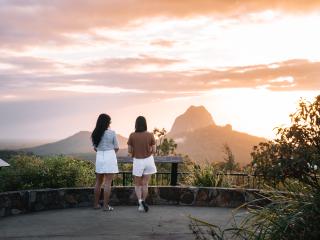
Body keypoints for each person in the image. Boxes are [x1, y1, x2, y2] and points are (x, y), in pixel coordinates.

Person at [127, 116, 157, 212]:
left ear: (136, 124)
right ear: (145, 124)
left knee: (137, 184)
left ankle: (140, 203)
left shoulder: (132, 135)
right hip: (149, 160)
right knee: (145, 184)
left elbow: (129, 151)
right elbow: (154, 150)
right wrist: (147, 153)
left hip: (138, 161)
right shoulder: (150, 135)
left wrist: (136, 152)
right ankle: (144, 201)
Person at [91, 113, 119, 211]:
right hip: (109, 155)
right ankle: (106, 206)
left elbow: (95, 148)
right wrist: (110, 153)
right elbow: (116, 147)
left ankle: (95, 205)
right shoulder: (112, 133)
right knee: (107, 182)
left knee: (98, 182)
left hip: (99, 156)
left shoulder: (95, 133)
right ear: (107, 122)